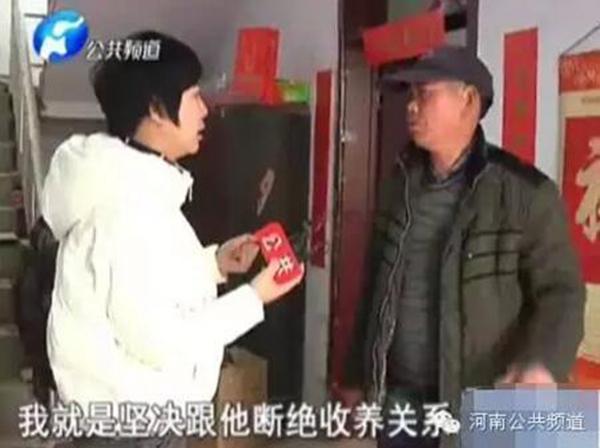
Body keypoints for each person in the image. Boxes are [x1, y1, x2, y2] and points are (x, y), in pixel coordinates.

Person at [41, 30, 304, 448]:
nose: (205, 109)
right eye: (194, 96)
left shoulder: (135, 187)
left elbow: (147, 285)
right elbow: (159, 340)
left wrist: (213, 264)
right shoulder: (127, 209)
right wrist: (254, 297)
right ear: (156, 110)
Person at [342, 46, 586, 448]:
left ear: (468, 101)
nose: (411, 107)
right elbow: (373, 287)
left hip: (474, 404)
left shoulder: (525, 195)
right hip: (397, 399)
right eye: (411, 95)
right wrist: (355, 377)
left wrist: (541, 363)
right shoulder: (398, 184)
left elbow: (562, 292)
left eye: (425, 94)